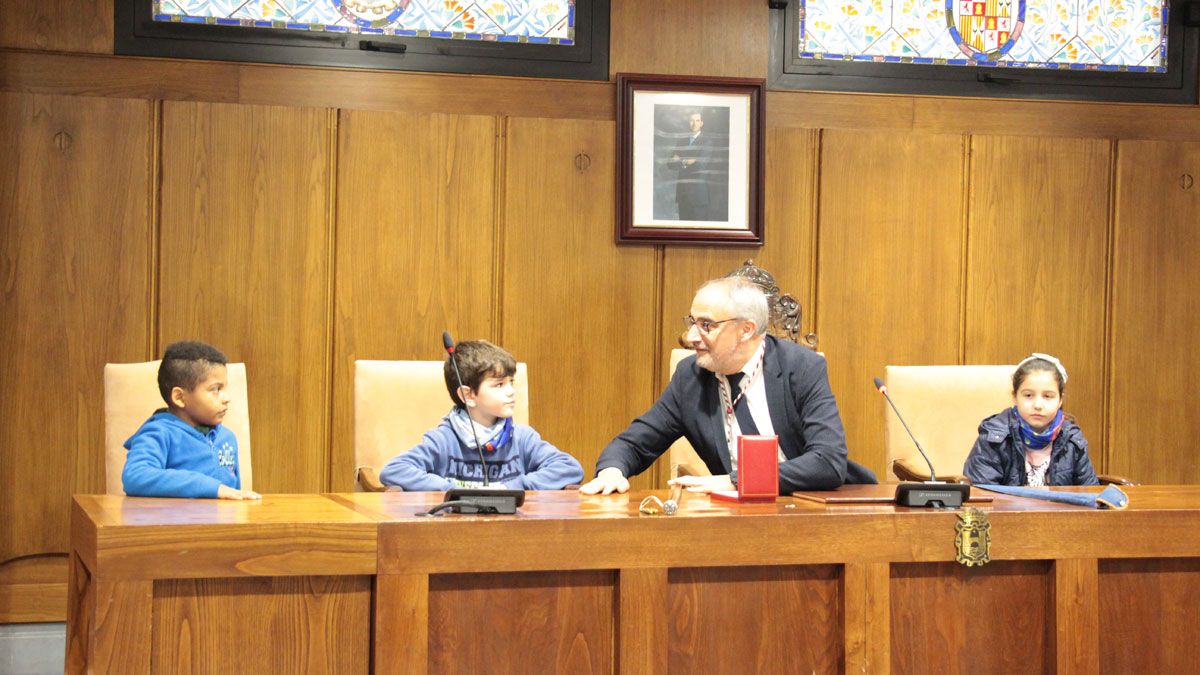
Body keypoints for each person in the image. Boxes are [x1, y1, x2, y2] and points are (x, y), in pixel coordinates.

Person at [580, 277, 874, 496]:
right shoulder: (690, 378)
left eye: (706, 325)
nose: (691, 336)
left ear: (746, 330)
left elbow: (828, 462)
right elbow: (633, 443)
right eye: (692, 322)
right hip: (737, 518)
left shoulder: (801, 367)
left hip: (813, 508)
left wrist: (735, 479)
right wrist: (612, 471)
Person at [380, 340, 584, 491]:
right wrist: (452, 490)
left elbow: (570, 468)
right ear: (468, 395)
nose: (512, 391)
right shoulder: (444, 439)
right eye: (499, 385)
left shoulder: (522, 437)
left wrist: (513, 487)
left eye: (511, 382)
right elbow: (394, 470)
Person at [123, 341, 259, 500]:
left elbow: (235, 496)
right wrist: (210, 487)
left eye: (224, 388)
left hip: (223, 524)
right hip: (176, 524)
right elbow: (136, 475)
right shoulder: (159, 433)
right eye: (216, 389)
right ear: (180, 397)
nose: (226, 398)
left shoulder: (227, 438)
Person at [963, 353, 1099, 486]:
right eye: (1028, 395)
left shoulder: (1072, 439)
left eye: (1047, 396)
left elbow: (1091, 495)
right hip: (1007, 509)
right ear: (1015, 397)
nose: (1038, 405)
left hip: (1059, 509)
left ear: (1060, 400)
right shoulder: (993, 437)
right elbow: (981, 496)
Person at [669, 111, 714, 221]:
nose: (694, 124)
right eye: (691, 120)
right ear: (688, 123)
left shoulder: (707, 142)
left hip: (699, 197)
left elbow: (700, 166)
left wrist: (680, 161)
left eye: (697, 120)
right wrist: (686, 162)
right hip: (683, 195)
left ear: (701, 123)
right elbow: (670, 164)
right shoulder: (681, 142)